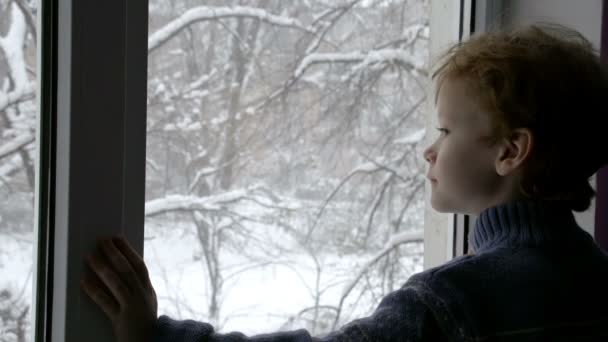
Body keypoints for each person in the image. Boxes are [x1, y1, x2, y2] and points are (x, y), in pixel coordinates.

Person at [81, 23, 608, 342]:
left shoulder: (453, 301)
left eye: (446, 129)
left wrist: (159, 337)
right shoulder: (596, 278)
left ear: (510, 150)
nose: (430, 148)